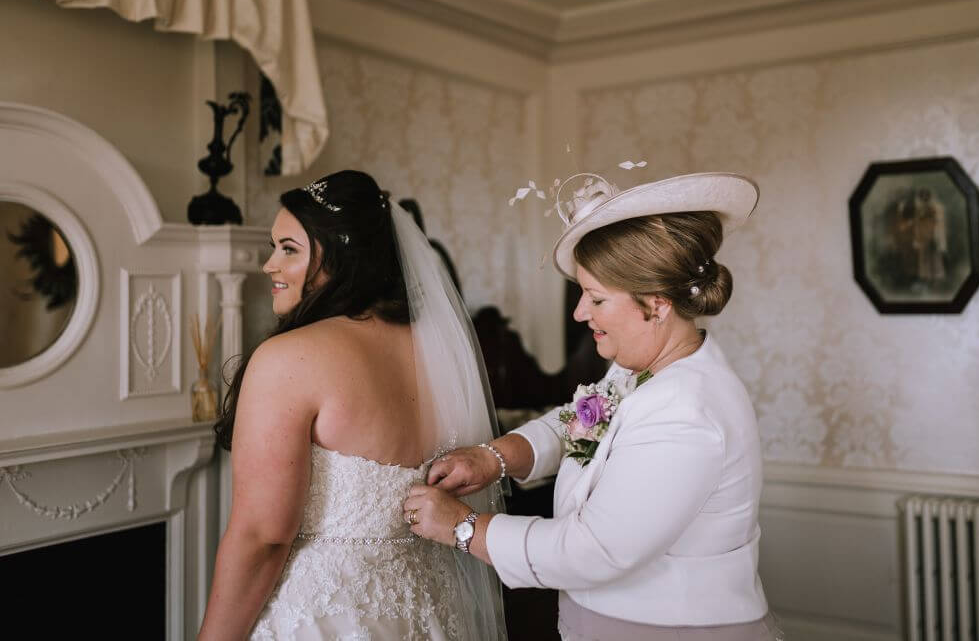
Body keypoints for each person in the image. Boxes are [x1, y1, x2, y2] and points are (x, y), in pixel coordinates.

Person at [405, 172, 780, 640]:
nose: (580, 313)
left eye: (596, 298)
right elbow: (576, 423)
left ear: (658, 304)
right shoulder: (641, 371)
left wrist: (463, 527)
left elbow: (594, 550)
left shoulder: (686, 409)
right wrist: (492, 458)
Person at [199, 170, 506, 640]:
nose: (268, 265)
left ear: (339, 255)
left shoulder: (289, 358)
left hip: (327, 615)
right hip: (427, 609)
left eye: (288, 249)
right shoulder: (436, 350)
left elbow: (263, 536)